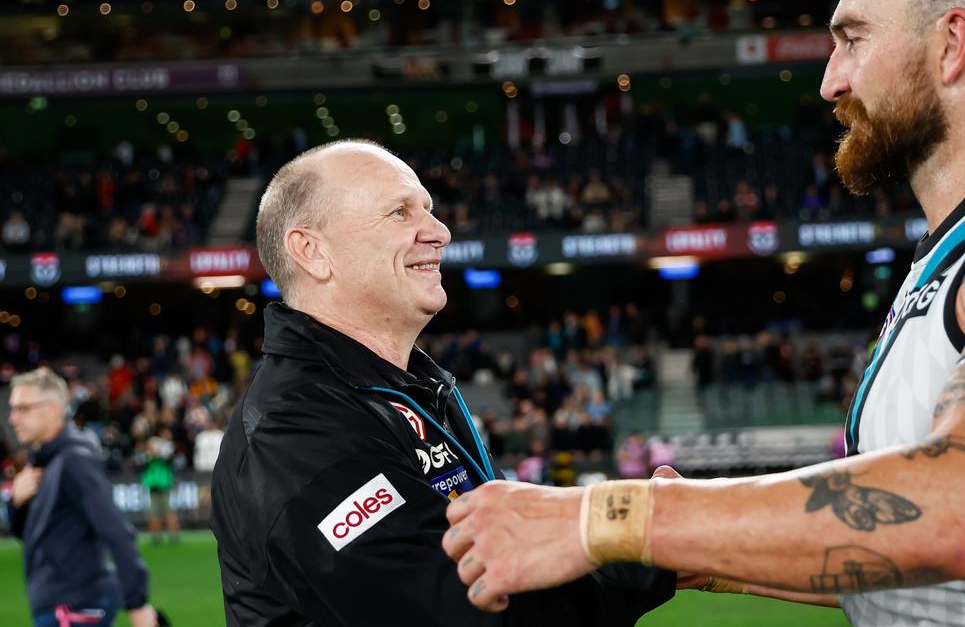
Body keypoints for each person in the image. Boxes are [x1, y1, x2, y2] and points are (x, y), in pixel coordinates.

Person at [441, 0, 965, 626]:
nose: (830, 81)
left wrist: (609, 515)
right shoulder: (958, 253)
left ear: (951, 43)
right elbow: (905, 569)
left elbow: (960, 516)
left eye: (853, 39)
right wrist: (697, 550)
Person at [210, 139, 673, 625]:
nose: (440, 231)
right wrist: (653, 541)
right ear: (311, 251)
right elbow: (476, 610)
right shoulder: (293, 433)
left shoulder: (412, 388)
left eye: (428, 210)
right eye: (399, 212)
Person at [6, 367, 159, 627]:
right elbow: (33, 535)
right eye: (13, 408)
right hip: (60, 604)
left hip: (73, 606)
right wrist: (16, 504)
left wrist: (138, 602)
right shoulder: (43, 462)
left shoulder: (75, 460)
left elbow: (115, 529)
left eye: (23, 408)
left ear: (53, 409)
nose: (13, 418)